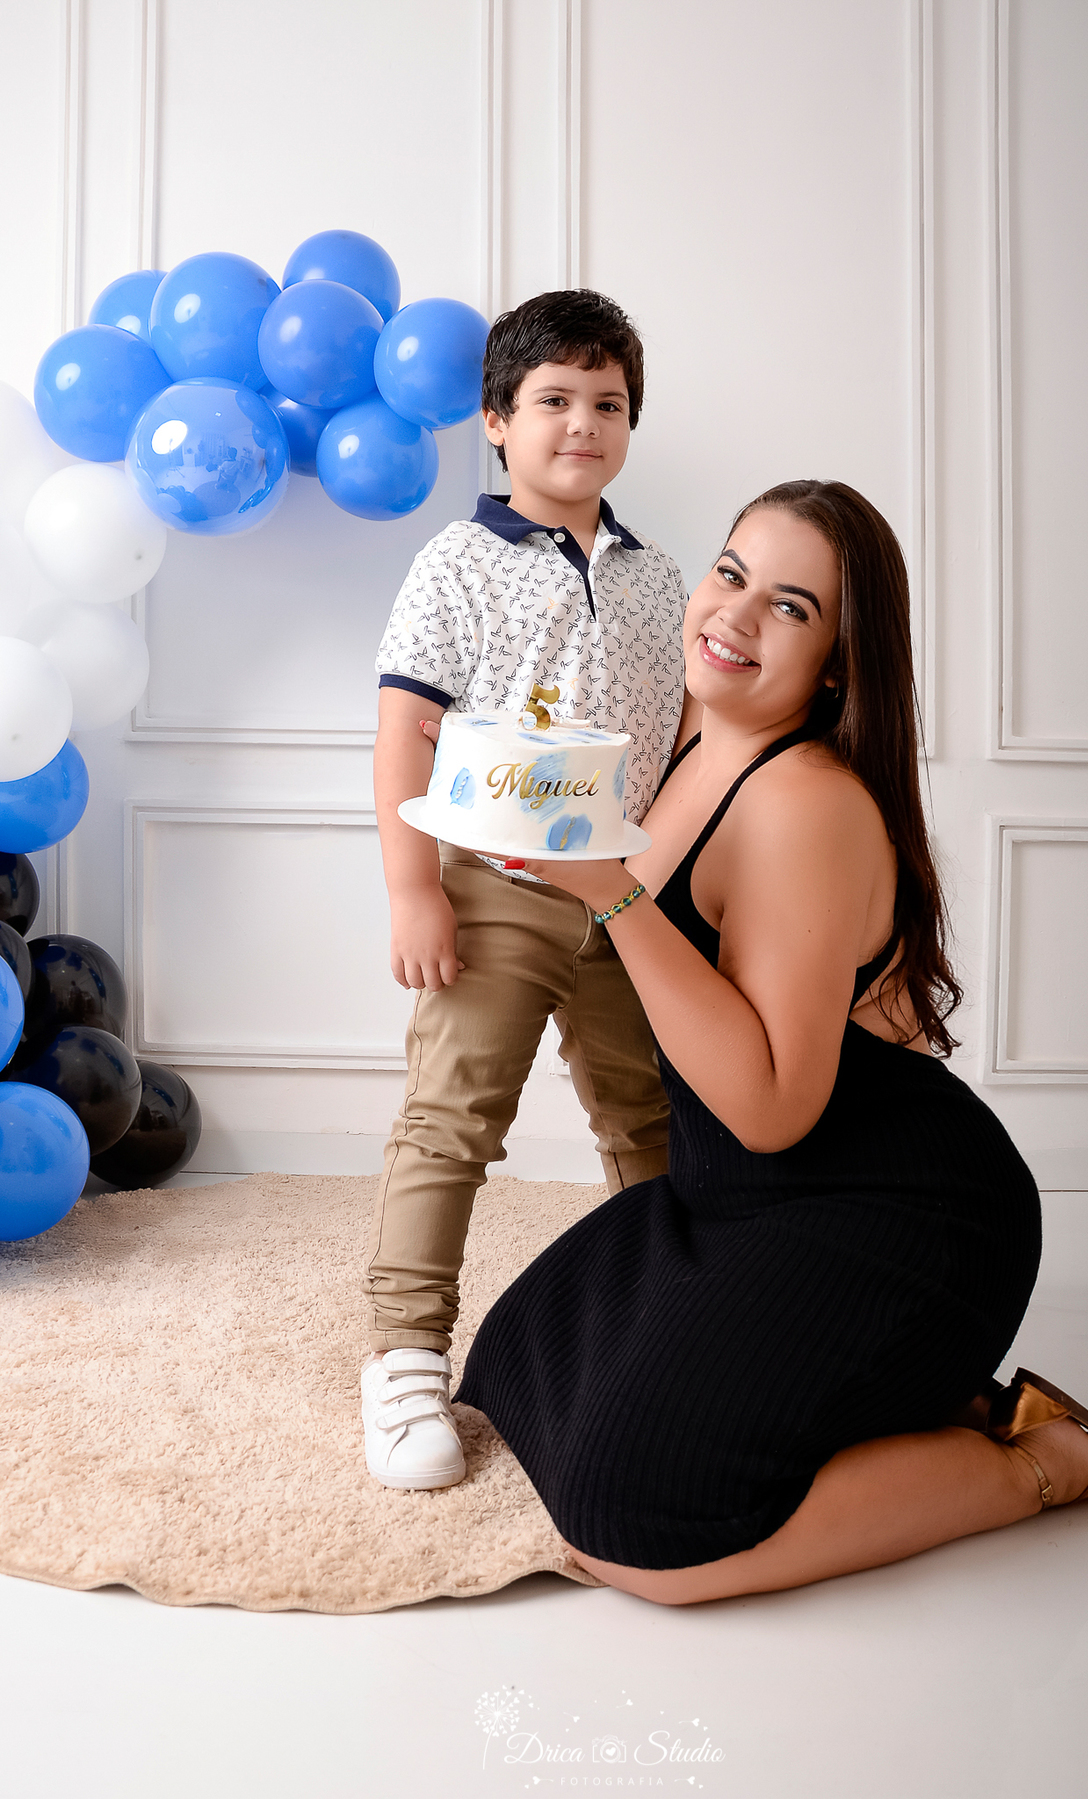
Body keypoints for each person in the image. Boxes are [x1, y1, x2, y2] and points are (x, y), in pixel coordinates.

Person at [453, 479, 1088, 1605]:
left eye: (790, 607)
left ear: (838, 661)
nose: (731, 616)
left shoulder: (805, 805)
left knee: (638, 1530)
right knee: (519, 1361)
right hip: (742, 1191)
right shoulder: (693, 737)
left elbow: (776, 1102)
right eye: (730, 574)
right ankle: (925, 1400)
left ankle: (1038, 1461)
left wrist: (613, 899)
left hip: (896, 1209)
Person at [361, 290, 690, 1491]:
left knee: (650, 1115)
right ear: (498, 421)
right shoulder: (457, 562)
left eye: (607, 404)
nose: (582, 423)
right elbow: (403, 733)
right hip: (494, 885)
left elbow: (690, 743)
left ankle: (681, 1311)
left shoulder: (663, 580)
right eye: (553, 400)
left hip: (628, 894)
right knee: (456, 1116)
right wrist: (415, 890)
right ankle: (402, 1355)